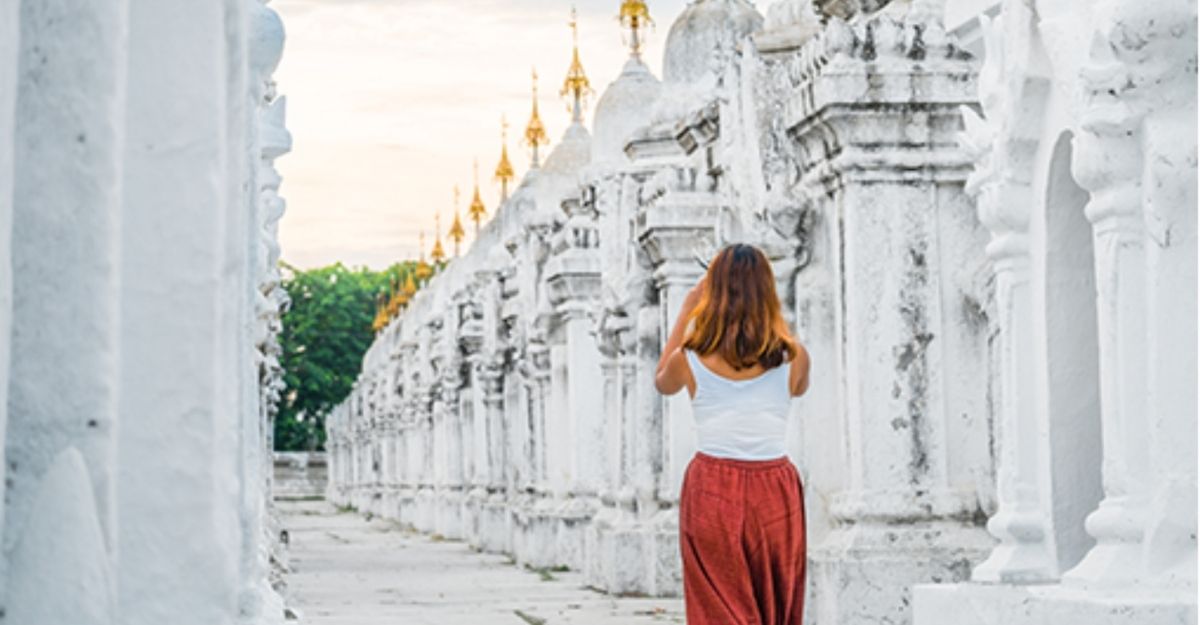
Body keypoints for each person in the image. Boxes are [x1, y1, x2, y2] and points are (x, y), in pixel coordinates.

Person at [654, 242, 811, 625]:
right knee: (774, 598)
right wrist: (767, 311)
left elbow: (662, 382)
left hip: (711, 483)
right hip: (775, 487)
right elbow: (797, 387)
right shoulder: (795, 358)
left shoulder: (688, 359)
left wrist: (688, 307)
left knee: (717, 603)